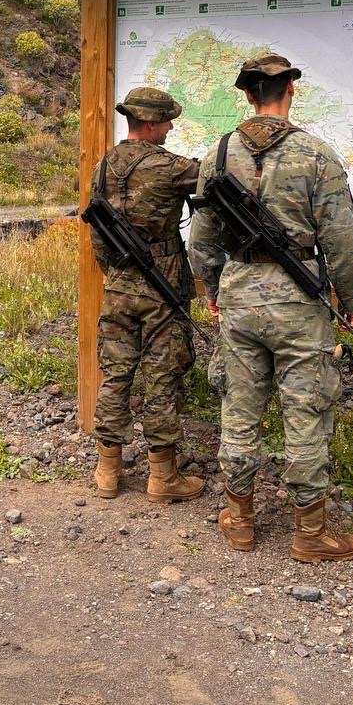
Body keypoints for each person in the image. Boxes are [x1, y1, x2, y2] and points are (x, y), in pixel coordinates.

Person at [188, 53, 353, 561]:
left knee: (238, 408)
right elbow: (342, 239)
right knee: (305, 411)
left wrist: (212, 290)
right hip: (299, 297)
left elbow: (202, 240)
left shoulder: (217, 155)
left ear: (247, 95)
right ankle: (309, 534)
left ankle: (239, 518)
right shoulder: (317, 155)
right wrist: (348, 298)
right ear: (290, 89)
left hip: (240, 292)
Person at [89, 85, 204, 503]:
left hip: (118, 285)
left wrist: (117, 273)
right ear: (151, 123)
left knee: (115, 374)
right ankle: (163, 477)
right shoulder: (172, 167)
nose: (171, 127)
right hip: (163, 283)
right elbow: (216, 180)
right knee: (161, 376)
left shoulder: (103, 166)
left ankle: (107, 472)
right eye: (168, 120)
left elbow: (98, 236)